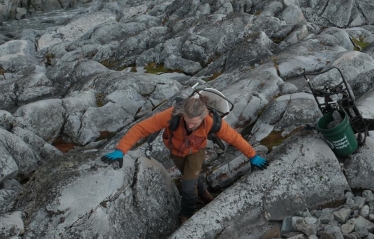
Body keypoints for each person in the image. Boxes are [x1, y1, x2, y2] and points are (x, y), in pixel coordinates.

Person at [101, 95, 268, 223]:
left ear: (203, 117)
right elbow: (141, 128)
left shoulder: (211, 122)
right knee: (190, 176)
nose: (189, 126)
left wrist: (252, 156)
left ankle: (186, 215)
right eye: (187, 122)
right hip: (175, 151)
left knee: (188, 187)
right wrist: (121, 150)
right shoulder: (172, 115)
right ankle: (204, 194)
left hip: (196, 151)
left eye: (194, 124)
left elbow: (235, 139)